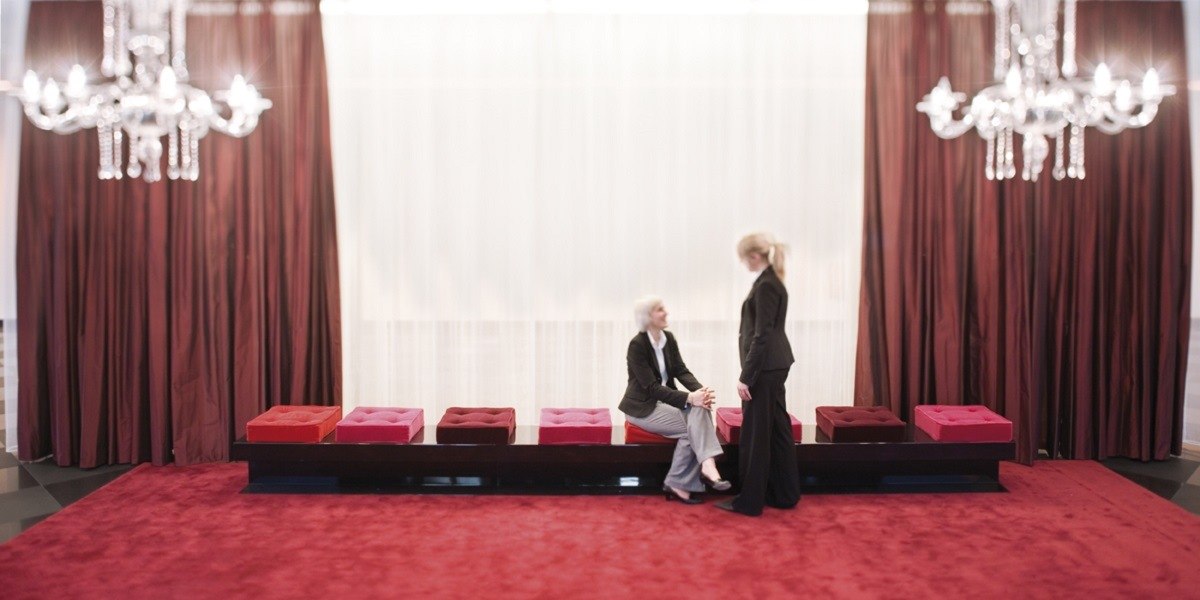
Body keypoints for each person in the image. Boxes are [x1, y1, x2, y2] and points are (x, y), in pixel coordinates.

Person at [715, 232, 801, 516]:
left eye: (744, 259)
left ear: (754, 256)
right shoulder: (773, 281)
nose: (744, 265)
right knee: (777, 430)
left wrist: (746, 376)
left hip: (764, 368)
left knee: (755, 435)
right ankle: (785, 495)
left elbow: (761, 335)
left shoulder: (766, 285)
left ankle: (749, 502)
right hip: (776, 364)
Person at [619, 296, 730, 504]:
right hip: (642, 408)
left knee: (699, 412)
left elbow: (681, 370)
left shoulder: (668, 339)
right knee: (694, 422)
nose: (666, 312)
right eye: (660, 309)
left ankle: (683, 479)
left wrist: (700, 392)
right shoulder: (637, 345)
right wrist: (690, 397)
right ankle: (705, 466)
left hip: (665, 403)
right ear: (648, 317)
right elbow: (651, 388)